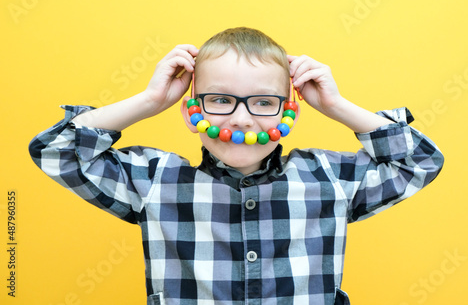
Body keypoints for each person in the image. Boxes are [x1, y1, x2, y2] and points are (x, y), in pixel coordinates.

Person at [29, 27, 444, 304]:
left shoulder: (329, 180)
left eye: (264, 102)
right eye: (221, 100)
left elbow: (420, 160)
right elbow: (56, 149)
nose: (242, 119)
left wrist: (338, 107)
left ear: (289, 111)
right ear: (192, 110)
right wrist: (149, 101)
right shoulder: (154, 182)